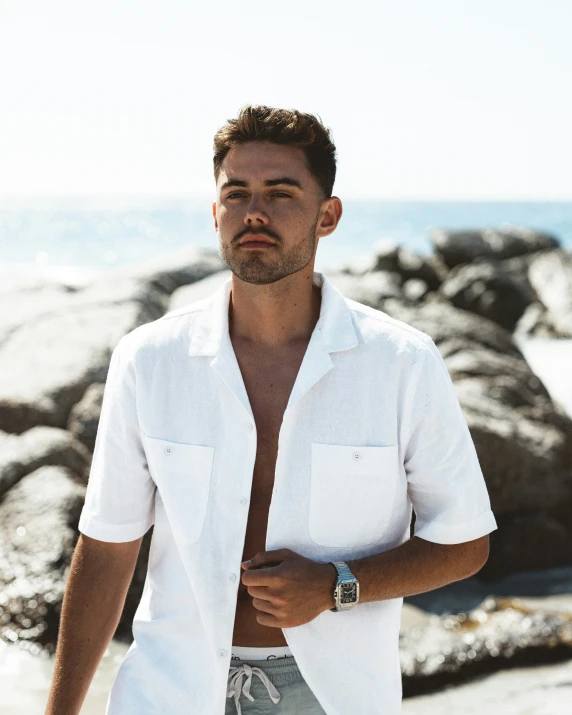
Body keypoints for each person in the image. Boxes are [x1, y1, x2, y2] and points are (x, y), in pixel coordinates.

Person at [44, 105, 497, 715]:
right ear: (215, 213)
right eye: (236, 194)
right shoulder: (149, 360)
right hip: (171, 687)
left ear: (327, 215)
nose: (254, 212)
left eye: (281, 193)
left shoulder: (400, 364)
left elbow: (465, 542)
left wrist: (337, 586)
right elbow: (106, 547)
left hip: (331, 695)